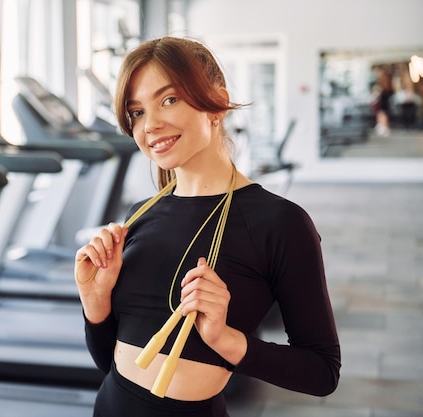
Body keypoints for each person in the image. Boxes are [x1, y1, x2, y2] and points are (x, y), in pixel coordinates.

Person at [74, 36, 341, 417]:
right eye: (136, 112)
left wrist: (225, 339)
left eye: (169, 100)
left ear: (216, 103)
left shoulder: (281, 224)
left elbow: (322, 372)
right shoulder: (138, 216)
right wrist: (94, 302)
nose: (150, 125)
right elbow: (110, 364)